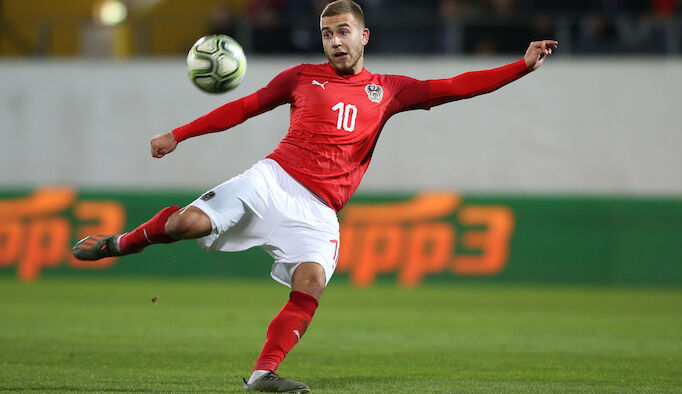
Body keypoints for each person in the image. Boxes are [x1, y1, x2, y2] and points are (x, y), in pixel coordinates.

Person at [73, 0, 557, 392]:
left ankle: (263, 375)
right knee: (185, 225)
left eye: (343, 31)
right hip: (272, 180)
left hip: (320, 211)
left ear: (363, 36)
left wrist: (522, 65)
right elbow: (244, 108)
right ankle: (121, 244)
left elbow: (455, 86)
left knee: (310, 282)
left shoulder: (389, 90)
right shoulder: (301, 77)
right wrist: (179, 134)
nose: (335, 41)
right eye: (328, 33)